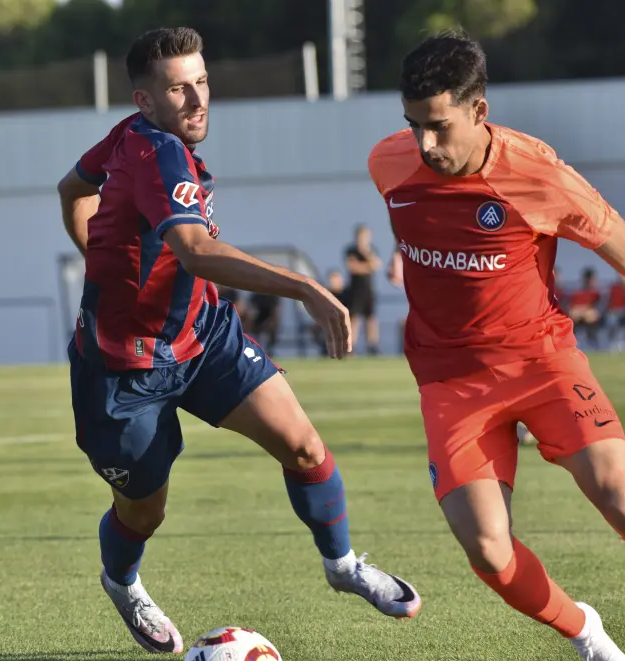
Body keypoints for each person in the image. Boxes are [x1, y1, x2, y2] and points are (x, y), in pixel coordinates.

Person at [56, 26, 421, 655]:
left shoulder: (134, 136)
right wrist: (304, 287)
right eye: (179, 88)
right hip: (123, 371)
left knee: (304, 447)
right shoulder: (152, 150)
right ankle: (122, 580)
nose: (198, 100)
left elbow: (74, 188)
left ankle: (342, 566)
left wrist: (103, 253)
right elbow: (195, 251)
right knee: (145, 513)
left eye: (202, 81)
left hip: (205, 336)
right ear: (145, 101)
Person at [368, 30, 625, 661]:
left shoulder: (541, 176)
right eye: (413, 126)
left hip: (542, 363)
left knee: (624, 498)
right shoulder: (388, 163)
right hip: (450, 383)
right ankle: (586, 633)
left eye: (438, 126)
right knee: (489, 553)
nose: (424, 144)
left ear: (478, 111)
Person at [344, 224, 383, 354]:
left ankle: (372, 346)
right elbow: (352, 267)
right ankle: (351, 346)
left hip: (369, 290)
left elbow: (376, 264)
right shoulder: (351, 250)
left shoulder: (372, 250)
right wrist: (367, 267)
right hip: (355, 290)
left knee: (371, 318)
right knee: (354, 318)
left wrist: (366, 254)